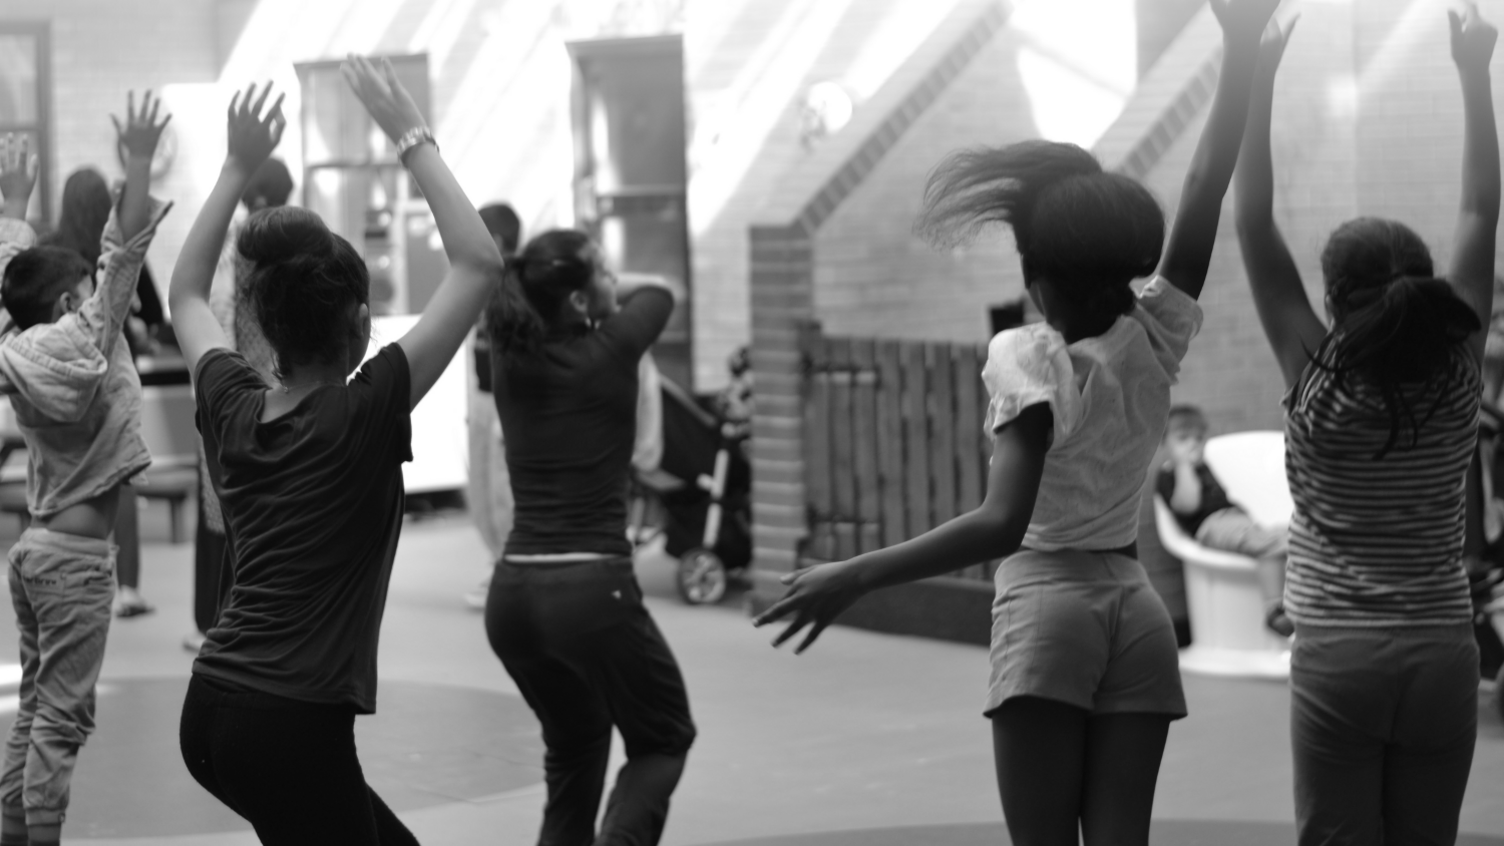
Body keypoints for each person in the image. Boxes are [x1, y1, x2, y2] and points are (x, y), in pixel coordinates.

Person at [752, 2, 1277, 844]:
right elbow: (1204, 186)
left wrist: (854, 574)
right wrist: (1243, 52)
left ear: (1035, 270)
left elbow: (1003, 523)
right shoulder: (1156, 335)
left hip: (1047, 606)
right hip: (1136, 610)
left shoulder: (1030, 357)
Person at [172, 62, 503, 843]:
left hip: (213, 709)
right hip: (289, 727)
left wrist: (232, 169)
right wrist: (410, 134)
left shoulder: (233, 404)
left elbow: (186, 293)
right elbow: (481, 263)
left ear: (268, 327)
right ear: (358, 322)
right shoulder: (364, 410)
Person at [1232, 6, 1497, 844]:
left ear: (1335, 300)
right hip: (1441, 653)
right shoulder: (1459, 371)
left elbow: (1250, 220)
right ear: (1422, 288)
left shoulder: (1315, 376)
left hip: (1339, 653)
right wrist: (1473, 71)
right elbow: (1481, 214)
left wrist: (1257, 73)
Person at [483, 232, 695, 845]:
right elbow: (661, 290)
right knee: (663, 738)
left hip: (513, 598)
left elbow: (547, 298)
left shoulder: (507, 356)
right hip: (589, 592)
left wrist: (569, 279)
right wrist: (595, 286)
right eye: (604, 268)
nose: (614, 277)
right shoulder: (614, 346)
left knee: (576, 748)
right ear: (579, 301)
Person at [0, 91, 171, 846]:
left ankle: (12, 831)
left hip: (35, 551)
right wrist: (136, 160)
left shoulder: (18, 345)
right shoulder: (89, 338)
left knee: (36, 709)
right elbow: (124, 254)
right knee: (59, 720)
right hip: (73, 563)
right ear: (72, 299)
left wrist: (13, 204)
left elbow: (13, 278)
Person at [41, 166, 166, 619]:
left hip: (59, 369)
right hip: (110, 371)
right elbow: (152, 309)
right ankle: (127, 589)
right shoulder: (117, 247)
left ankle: (63, 581)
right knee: (121, 474)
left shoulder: (47, 248)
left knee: (62, 467)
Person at [184, 155, 293, 652]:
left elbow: (191, 298)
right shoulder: (278, 239)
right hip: (276, 380)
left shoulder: (229, 242)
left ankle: (213, 620)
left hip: (225, 383)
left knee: (222, 508)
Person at [1156, 403, 1291, 636]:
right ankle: (1274, 609)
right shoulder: (1168, 474)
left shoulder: (1204, 466)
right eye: (1183, 438)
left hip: (1237, 521)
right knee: (1270, 544)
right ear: (1164, 442)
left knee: (1288, 532)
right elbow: (1188, 506)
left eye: (1198, 438)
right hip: (1210, 527)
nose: (1192, 444)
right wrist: (1183, 465)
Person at [464, 202, 521, 610]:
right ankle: (497, 560)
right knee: (481, 489)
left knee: (504, 491)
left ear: (496, 241)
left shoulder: (516, 283)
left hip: (507, 403)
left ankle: (511, 569)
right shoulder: (483, 280)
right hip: (483, 398)